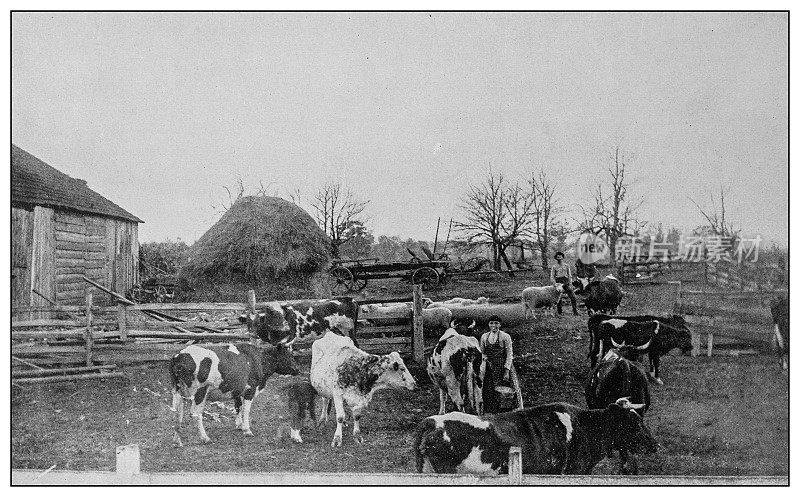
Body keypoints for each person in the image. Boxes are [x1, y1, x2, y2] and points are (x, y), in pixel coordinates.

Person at [480, 315, 514, 413]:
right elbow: (482, 352)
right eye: (491, 323)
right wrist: (485, 359)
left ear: (500, 324)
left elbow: (509, 354)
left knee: (503, 390)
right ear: (488, 324)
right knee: (488, 389)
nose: (493, 325)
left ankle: (503, 411)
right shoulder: (484, 337)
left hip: (501, 366)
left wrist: (507, 371)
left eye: (496, 323)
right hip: (489, 366)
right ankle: (490, 411)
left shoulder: (505, 336)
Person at [550, 251, 579, 316]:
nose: (559, 257)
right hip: (558, 282)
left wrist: (570, 283)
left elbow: (569, 275)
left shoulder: (566, 266)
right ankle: (559, 312)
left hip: (566, 282)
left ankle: (575, 311)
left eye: (560, 256)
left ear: (562, 257)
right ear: (556, 258)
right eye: (557, 257)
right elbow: (552, 276)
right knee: (558, 298)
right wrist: (555, 284)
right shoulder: (554, 266)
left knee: (573, 296)